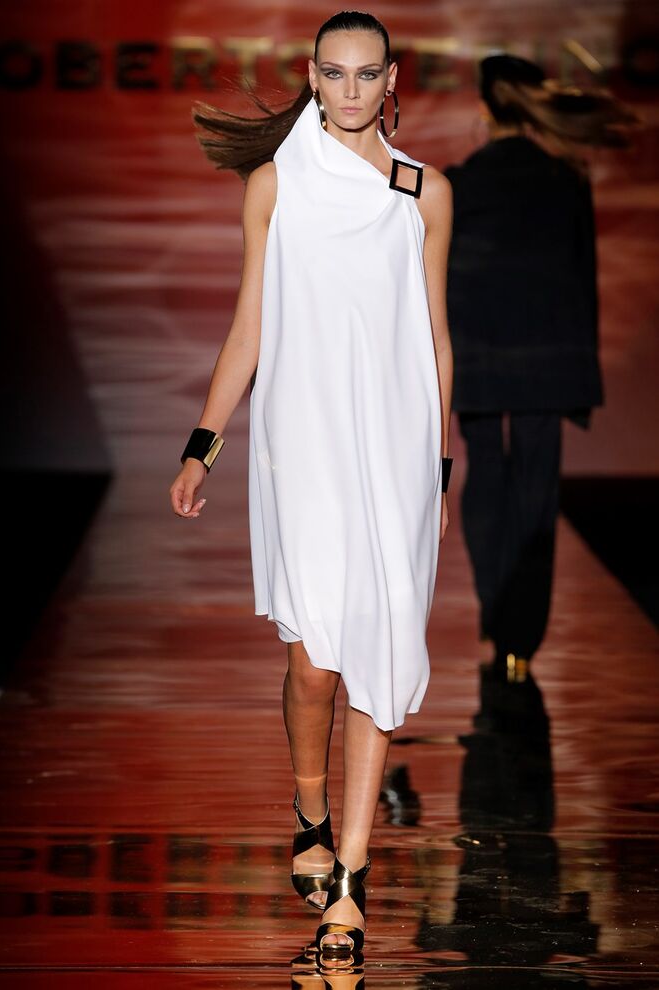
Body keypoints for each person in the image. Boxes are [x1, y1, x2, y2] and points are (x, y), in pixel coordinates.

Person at [168, 11, 453, 961]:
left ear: (392, 78)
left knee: (379, 646)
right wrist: (203, 446)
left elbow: (435, 339)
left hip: (396, 452)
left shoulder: (425, 193)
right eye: (335, 74)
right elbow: (251, 323)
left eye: (368, 75)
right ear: (313, 75)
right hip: (305, 446)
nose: (351, 90)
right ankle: (310, 810)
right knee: (315, 664)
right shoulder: (277, 184)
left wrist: (436, 471)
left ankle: (352, 880)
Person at [443, 54, 637, 683]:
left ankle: (495, 615)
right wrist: (581, 373)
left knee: (486, 473)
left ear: (483, 106)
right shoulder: (565, 179)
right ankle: (519, 640)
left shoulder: (460, 183)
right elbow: (583, 278)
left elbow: (442, 280)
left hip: (477, 353)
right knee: (535, 485)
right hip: (549, 359)